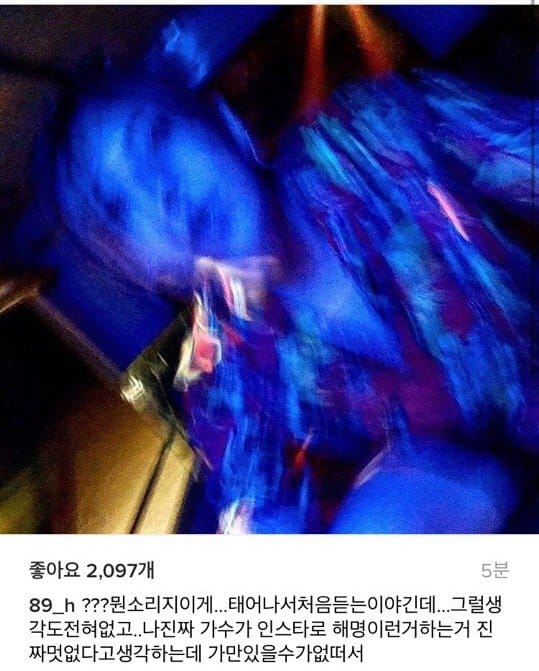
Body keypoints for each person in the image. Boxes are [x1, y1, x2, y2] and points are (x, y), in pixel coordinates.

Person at [20, 62, 538, 533]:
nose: (160, 196)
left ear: (224, 124)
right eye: (119, 209)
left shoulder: (377, 134)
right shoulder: (223, 379)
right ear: (146, 270)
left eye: (157, 137)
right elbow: (255, 517)